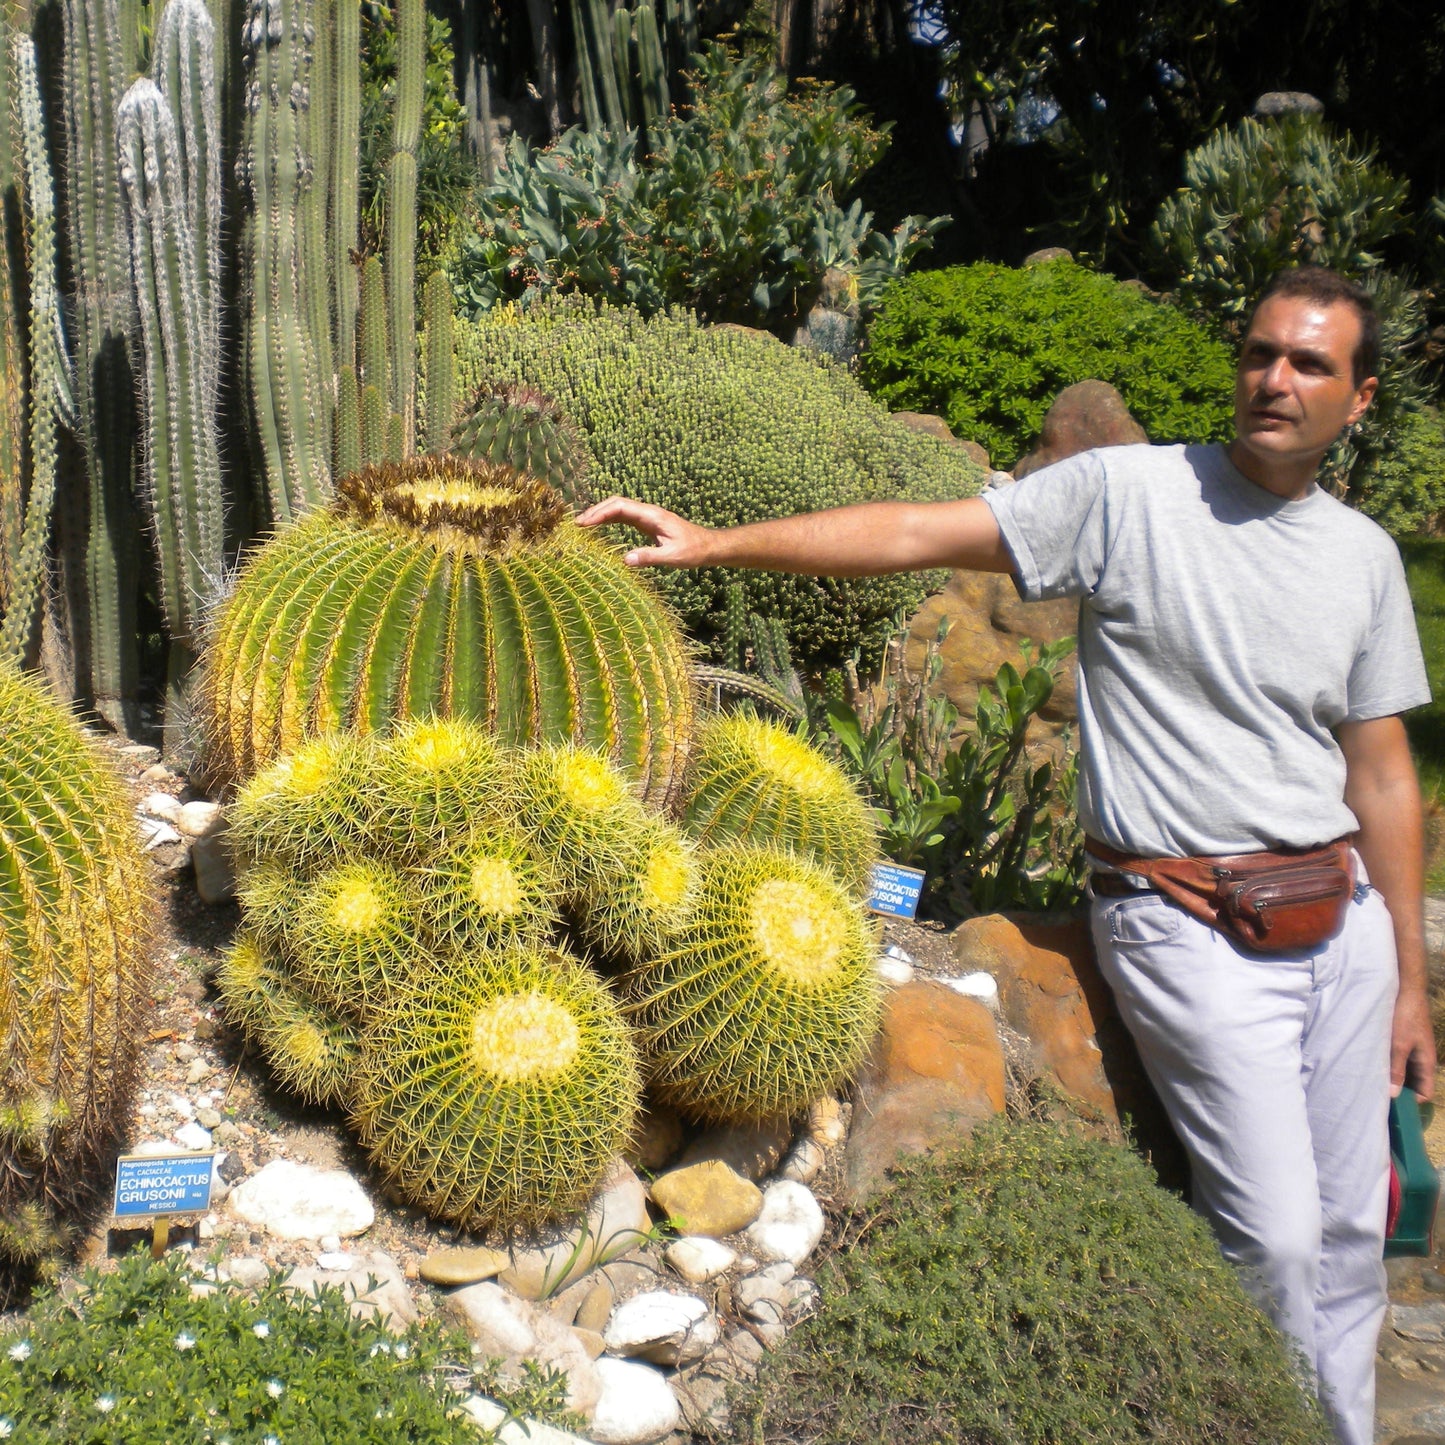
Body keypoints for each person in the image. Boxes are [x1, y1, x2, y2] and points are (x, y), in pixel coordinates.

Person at [576, 264, 1436, 1445]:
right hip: (1186, 920)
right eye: (1257, 353)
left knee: (1349, 1241)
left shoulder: (1362, 556)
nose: (1272, 380)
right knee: (1278, 1236)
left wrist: (1406, 973)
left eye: (1307, 364)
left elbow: (1382, 771)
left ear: (1359, 396)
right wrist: (717, 542)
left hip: (1337, 930)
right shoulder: (1130, 495)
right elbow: (919, 530)